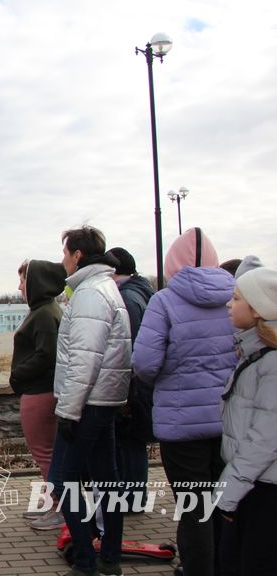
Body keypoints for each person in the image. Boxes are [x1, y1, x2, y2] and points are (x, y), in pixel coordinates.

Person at [133, 227, 235, 576]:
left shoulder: (163, 302)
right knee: (225, 503)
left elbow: (144, 365)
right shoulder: (234, 297)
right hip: (228, 422)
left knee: (194, 509)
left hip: (181, 426)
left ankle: (196, 570)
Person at [49, 226, 131, 576]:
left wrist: (68, 411)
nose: (63, 260)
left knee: (65, 481)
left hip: (87, 403)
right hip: (104, 400)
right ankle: (109, 556)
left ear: (77, 255)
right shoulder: (105, 287)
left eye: (65, 253)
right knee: (106, 478)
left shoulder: (89, 294)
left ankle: (86, 560)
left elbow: (84, 358)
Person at [218, 263, 277, 575]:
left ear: (258, 309)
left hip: (263, 490)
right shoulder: (253, 354)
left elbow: (266, 439)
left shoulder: (271, 362)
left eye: (237, 298)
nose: (229, 304)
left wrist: (229, 492)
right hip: (253, 486)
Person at [9, 260, 66, 530]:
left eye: (23, 280)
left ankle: (58, 507)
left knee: (45, 452)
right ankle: (51, 502)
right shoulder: (44, 310)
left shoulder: (43, 313)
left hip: (39, 391)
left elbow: (46, 354)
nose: (20, 287)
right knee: (49, 451)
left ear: (36, 282)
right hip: (42, 389)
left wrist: (18, 373)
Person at [107, 247, 156, 511]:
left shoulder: (126, 298)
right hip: (141, 384)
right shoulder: (142, 292)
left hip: (132, 386)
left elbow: (129, 347)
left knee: (129, 444)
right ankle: (134, 497)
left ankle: (131, 499)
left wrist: (124, 391)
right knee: (132, 443)